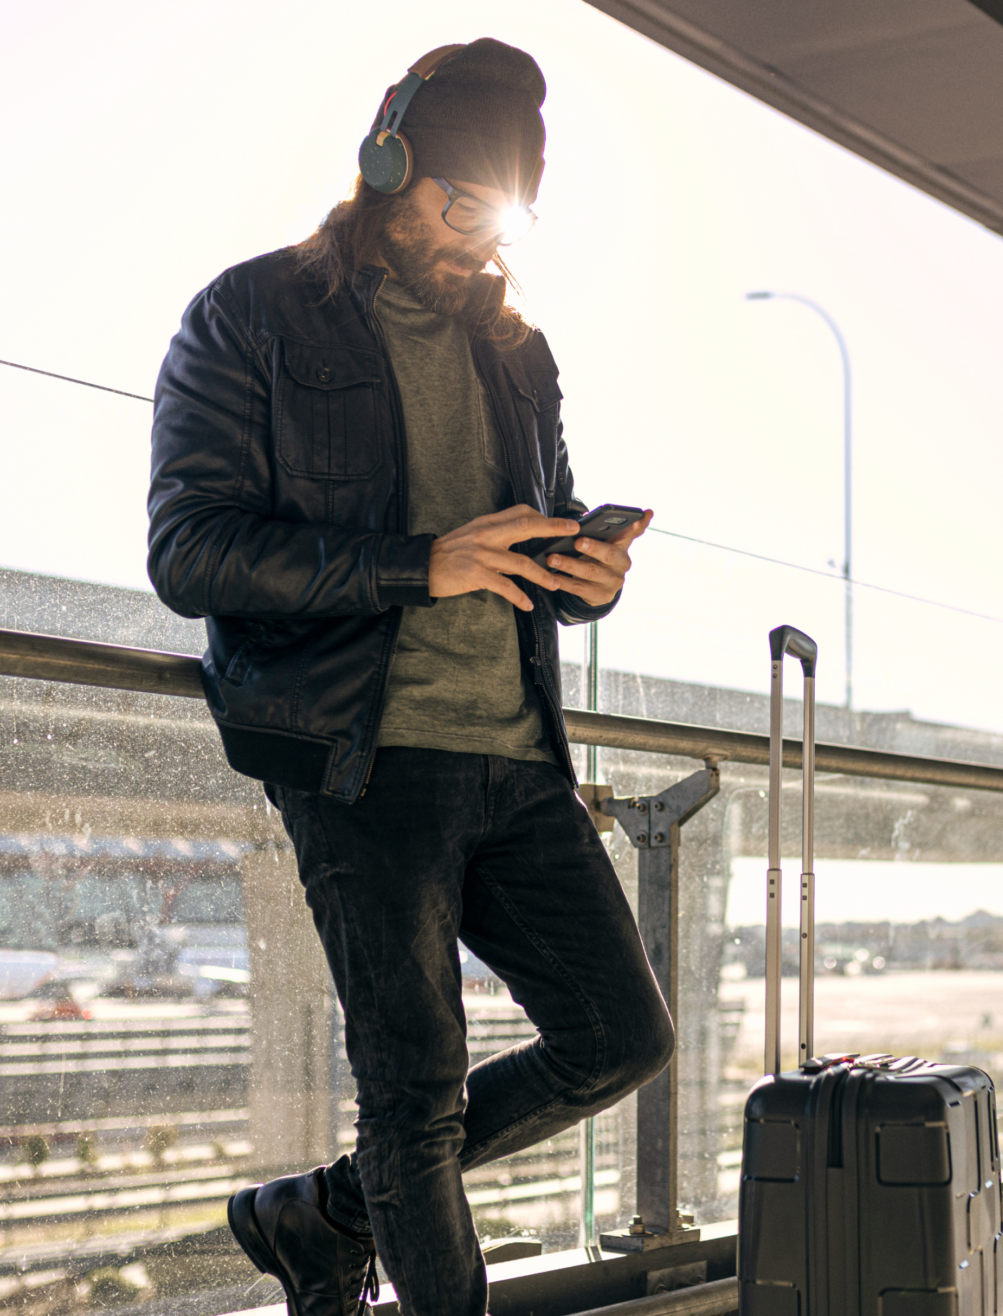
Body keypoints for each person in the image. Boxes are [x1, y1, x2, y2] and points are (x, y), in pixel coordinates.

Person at [147, 39, 674, 1316]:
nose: (475, 240)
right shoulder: (251, 312)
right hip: (358, 755)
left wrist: (580, 573)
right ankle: (362, 1235)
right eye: (456, 203)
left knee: (623, 1036)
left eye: (499, 216)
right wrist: (413, 564)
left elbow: (524, 535)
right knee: (415, 1091)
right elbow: (189, 549)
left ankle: (321, 1213)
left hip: (516, 754)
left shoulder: (518, 351)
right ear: (388, 167)